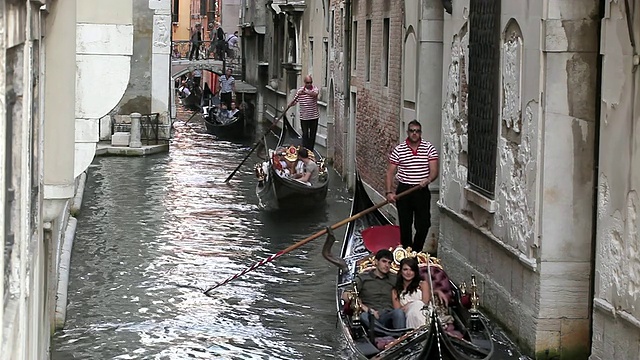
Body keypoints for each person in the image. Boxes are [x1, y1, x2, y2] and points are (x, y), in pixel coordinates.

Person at [385, 120, 439, 252]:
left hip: (421, 191)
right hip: (404, 191)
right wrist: (389, 192)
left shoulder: (429, 148)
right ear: (408, 132)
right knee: (405, 225)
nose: (415, 133)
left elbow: (434, 172)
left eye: (417, 131)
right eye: (412, 131)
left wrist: (428, 180)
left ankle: (416, 251)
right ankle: (406, 252)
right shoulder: (399, 149)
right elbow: (390, 173)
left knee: (424, 224)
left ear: (420, 133)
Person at [344, 249, 406, 330]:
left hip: (388, 315)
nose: (387, 265)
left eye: (389, 263)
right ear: (376, 262)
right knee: (364, 316)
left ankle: (400, 337)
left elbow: (409, 288)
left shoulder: (394, 278)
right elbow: (345, 295)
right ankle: (386, 332)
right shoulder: (363, 278)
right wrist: (365, 308)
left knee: (399, 312)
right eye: (384, 261)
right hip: (370, 315)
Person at [391, 258, 448, 329]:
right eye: (405, 269)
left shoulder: (422, 284)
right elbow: (398, 311)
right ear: (401, 271)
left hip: (424, 313)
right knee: (414, 308)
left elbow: (425, 303)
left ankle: (427, 328)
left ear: (415, 272)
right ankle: (423, 330)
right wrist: (410, 306)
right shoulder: (395, 291)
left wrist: (410, 305)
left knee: (418, 304)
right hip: (408, 317)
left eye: (411, 270)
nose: (408, 273)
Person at [282, 75, 319, 151]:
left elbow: (315, 94)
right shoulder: (299, 91)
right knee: (305, 135)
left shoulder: (315, 89)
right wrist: (290, 105)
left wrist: (305, 92)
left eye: (310, 82)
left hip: (314, 117)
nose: (309, 84)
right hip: (304, 117)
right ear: (305, 83)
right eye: (308, 83)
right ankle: (305, 150)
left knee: (312, 136)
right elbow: (295, 101)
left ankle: (310, 151)